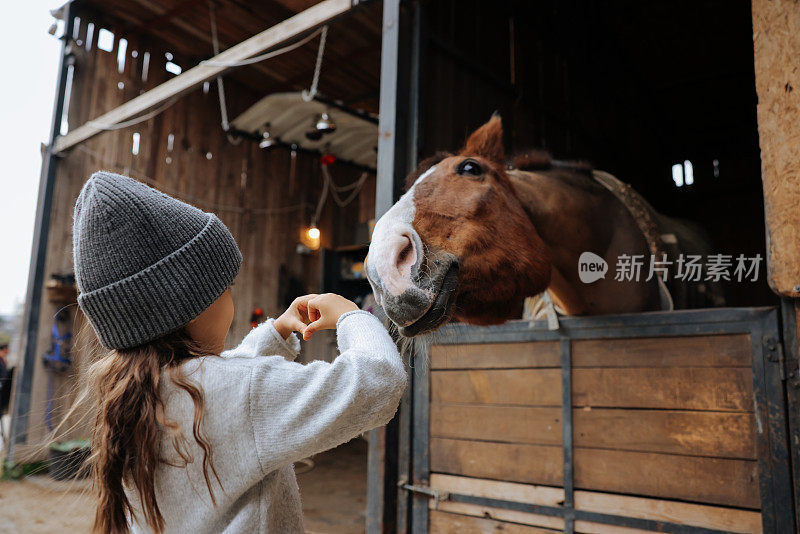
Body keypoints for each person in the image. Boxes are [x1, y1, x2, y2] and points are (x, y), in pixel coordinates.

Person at [72, 172, 406, 534]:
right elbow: (378, 381)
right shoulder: (235, 394)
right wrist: (352, 316)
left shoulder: (137, 392)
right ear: (189, 304)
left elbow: (225, 384)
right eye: (227, 287)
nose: (230, 296)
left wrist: (275, 334)